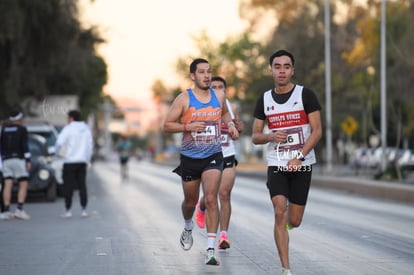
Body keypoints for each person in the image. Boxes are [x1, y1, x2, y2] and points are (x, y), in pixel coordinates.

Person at [251, 50, 322, 275]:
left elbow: (317, 131)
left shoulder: (305, 95)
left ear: (293, 70)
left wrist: (299, 157)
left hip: (302, 164)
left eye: (286, 66)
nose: (282, 70)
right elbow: (255, 136)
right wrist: (271, 136)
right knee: (279, 211)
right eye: (277, 66)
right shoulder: (264, 99)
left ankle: (291, 219)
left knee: (295, 220)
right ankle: (286, 269)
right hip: (277, 163)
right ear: (271, 70)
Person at [163, 58, 239, 266]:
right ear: (193, 76)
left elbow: (224, 114)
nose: (206, 75)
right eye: (202, 72)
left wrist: (231, 126)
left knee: (212, 198)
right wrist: (188, 127)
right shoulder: (184, 99)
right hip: (190, 157)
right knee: (190, 202)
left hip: (213, 155)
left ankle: (210, 249)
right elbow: (167, 125)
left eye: (209, 71)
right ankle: (188, 227)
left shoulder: (219, 96)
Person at [195, 76, 244, 250]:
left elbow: (237, 128)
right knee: (210, 197)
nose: (216, 89)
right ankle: (201, 207)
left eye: (220, 87)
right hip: (208, 156)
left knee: (224, 194)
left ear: (225, 90)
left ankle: (224, 235)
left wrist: (237, 128)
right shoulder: (202, 107)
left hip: (228, 154)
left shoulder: (232, 107)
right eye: (213, 86)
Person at [55, 110, 93, 218]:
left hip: (69, 161)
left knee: (68, 186)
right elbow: (90, 146)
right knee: (82, 185)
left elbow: (59, 143)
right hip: (82, 161)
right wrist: (87, 159)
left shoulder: (68, 128)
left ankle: (68, 210)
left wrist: (57, 153)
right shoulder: (86, 129)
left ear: (71, 118)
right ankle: (84, 210)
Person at [0, 110, 31, 220]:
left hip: (6, 160)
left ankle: (6, 211)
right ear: (19, 119)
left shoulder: (4, 129)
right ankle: (19, 209)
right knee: (23, 184)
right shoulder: (22, 129)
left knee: (7, 184)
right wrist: (28, 160)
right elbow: (25, 145)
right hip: (18, 159)